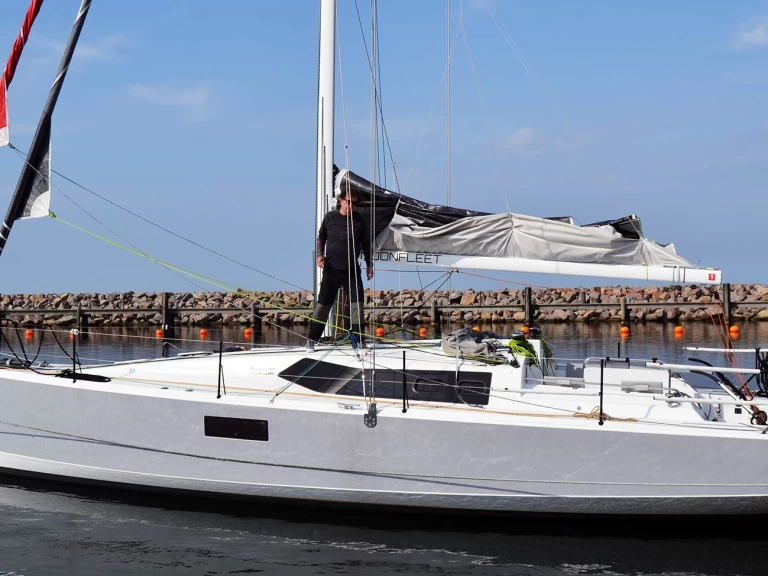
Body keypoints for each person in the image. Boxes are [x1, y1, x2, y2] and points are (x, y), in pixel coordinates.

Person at [306, 188, 373, 351]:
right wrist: (320, 255)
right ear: (341, 201)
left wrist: (369, 265)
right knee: (323, 305)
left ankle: (359, 341)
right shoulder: (330, 218)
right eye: (349, 202)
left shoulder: (359, 220)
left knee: (357, 305)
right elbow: (321, 237)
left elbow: (366, 243)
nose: (351, 205)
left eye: (355, 203)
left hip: (351, 270)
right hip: (332, 270)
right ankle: (311, 340)